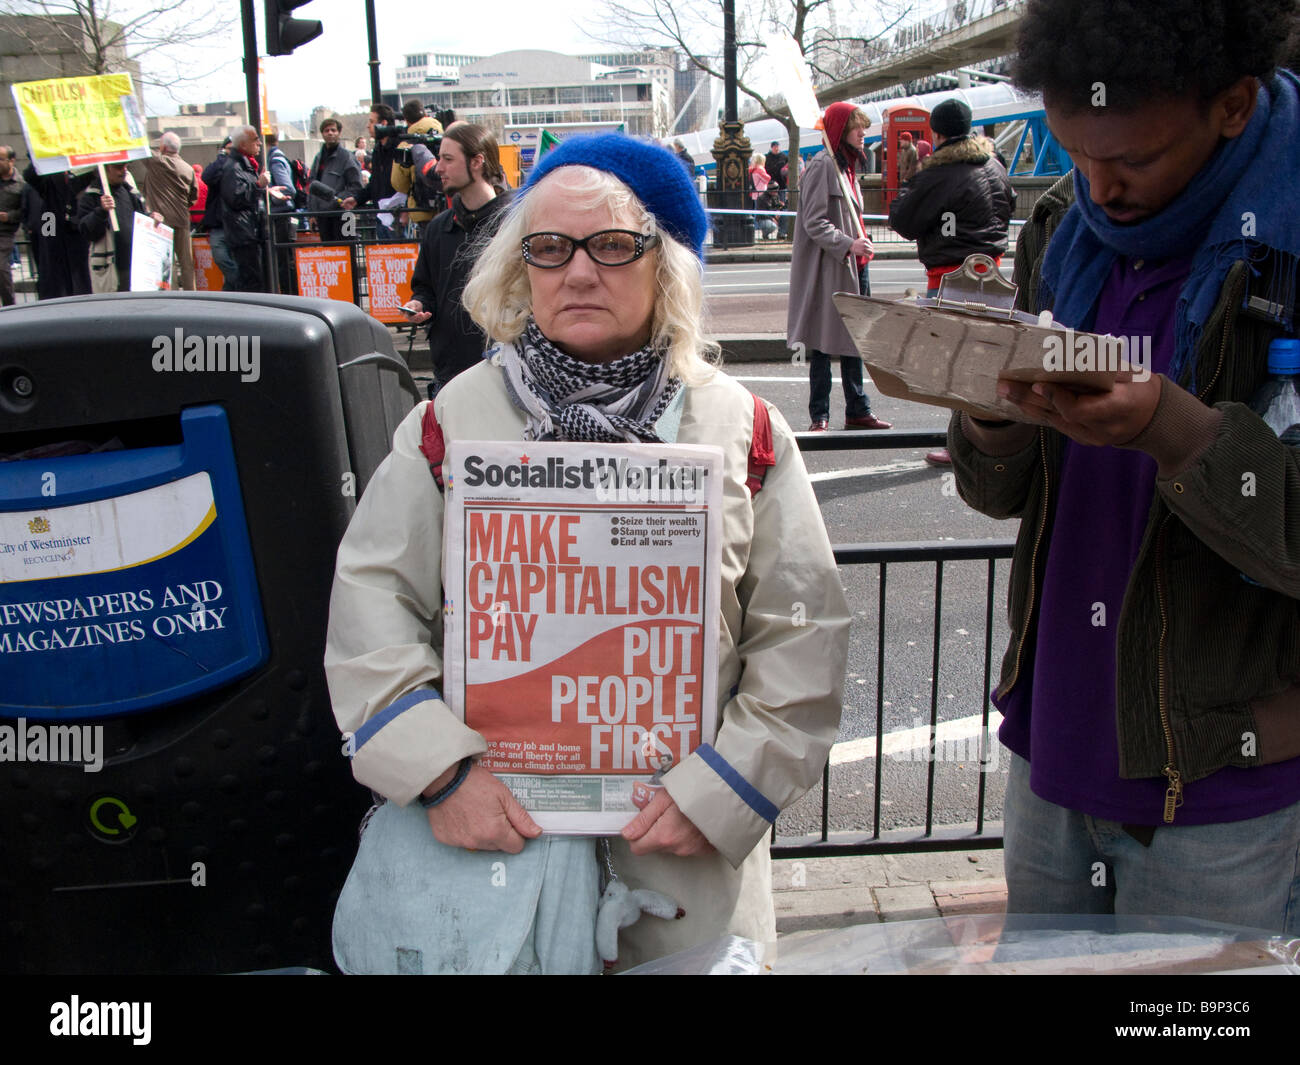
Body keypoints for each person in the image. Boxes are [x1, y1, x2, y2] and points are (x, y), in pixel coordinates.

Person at [324, 133, 849, 973]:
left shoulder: (741, 428)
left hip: (687, 871)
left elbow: (801, 633)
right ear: (518, 265)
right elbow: (372, 601)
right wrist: (440, 776)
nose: (577, 272)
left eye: (611, 246)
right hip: (497, 872)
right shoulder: (453, 421)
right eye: (548, 247)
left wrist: (722, 792)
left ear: (664, 263)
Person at [950, 0, 1300, 935]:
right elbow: (1002, 497)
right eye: (1077, 153)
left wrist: (1169, 428)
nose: (1100, 189)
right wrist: (988, 414)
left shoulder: (1287, 244)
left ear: (1232, 105)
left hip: (1224, 777)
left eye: (1134, 160)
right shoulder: (1061, 228)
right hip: (1052, 744)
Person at [889, 96, 1015, 463]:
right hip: (991, 271)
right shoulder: (994, 165)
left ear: (938, 132)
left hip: (950, 277)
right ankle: (989, 441)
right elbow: (1008, 201)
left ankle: (960, 444)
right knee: (985, 359)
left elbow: (904, 221)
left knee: (954, 362)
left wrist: (910, 184)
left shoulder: (940, 173)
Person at [788, 102, 892, 432]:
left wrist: (859, 243)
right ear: (840, 131)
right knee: (823, 341)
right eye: (856, 127)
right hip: (832, 267)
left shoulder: (846, 167)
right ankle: (820, 414)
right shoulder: (823, 166)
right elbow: (814, 221)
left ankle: (858, 409)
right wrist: (849, 243)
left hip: (853, 265)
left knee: (854, 338)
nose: (863, 133)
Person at [405, 123, 512, 395]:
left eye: (448, 159)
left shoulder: (516, 223)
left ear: (477, 162)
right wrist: (419, 304)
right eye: (439, 158)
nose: (438, 167)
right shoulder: (438, 228)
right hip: (450, 375)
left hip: (507, 374)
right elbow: (425, 287)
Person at [73, 162, 163, 292]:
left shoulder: (130, 191)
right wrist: (101, 211)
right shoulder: (91, 195)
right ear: (106, 169)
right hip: (111, 268)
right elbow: (86, 231)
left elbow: (140, 217)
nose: (124, 171)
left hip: (136, 266)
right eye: (119, 168)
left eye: (126, 167)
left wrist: (151, 218)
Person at [143, 132, 198, 290]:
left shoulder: (157, 162)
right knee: (186, 262)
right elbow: (193, 195)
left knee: (168, 261)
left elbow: (140, 150)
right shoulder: (188, 168)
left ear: (163, 147)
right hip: (182, 219)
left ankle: (172, 292)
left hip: (162, 220)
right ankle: (191, 293)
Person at [219, 125, 270, 293]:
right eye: (255, 140)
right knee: (250, 280)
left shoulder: (246, 165)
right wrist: (258, 186)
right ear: (243, 144)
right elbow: (235, 198)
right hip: (243, 233)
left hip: (250, 231)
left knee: (254, 278)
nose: (259, 143)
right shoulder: (233, 167)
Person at [341, 104, 401, 240]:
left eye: (372, 121)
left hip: (397, 216)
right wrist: (357, 199)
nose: (368, 126)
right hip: (381, 215)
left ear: (383, 123)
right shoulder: (378, 149)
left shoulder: (399, 147)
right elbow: (375, 182)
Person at [390, 101, 444, 236]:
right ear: (426, 114)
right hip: (447, 209)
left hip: (422, 210)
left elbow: (399, 183)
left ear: (406, 120)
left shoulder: (406, 144)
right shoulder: (446, 137)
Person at [308, 117, 362, 242]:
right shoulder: (318, 158)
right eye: (326, 130)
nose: (330, 133)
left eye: (333, 130)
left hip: (343, 213)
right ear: (322, 134)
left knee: (347, 252)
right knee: (329, 255)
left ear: (339, 133)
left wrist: (337, 200)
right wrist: (311, 214)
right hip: (323, 216)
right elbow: (311, 187)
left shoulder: (347, 157)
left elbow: (356, 186)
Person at [200, 138, 240, 290]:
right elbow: (207, 176)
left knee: (236, 262)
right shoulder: (220, 166)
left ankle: (231, 291)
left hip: (237, 224)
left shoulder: (241, 166)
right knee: (221, 258)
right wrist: (223, 157)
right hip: (218, 224)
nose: (231, 152)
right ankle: (235, 286)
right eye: (228, 149)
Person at [0, 147, 22, 306]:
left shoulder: (21, 185)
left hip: (4, 234)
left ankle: (10, 306)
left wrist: (9, 217)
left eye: (0, 159)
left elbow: (26, 211)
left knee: (1, 268)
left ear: (11, 161)